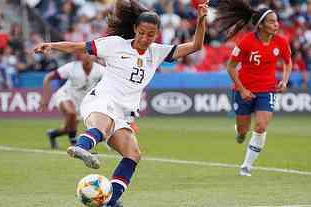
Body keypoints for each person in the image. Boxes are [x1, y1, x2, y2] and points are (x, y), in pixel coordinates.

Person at [34, 0, 208, 206]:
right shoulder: (115, 44)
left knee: (133, 154)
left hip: (121, 113)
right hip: (99, 101)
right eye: (141, 32)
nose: (145, 38)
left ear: (157, 34)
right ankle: (81, 147)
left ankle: (110, 201)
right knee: (104, 124)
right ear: (135, 28)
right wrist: (52, 45)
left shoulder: (159, 52)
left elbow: (196, 46)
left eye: (150, 35)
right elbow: (78, 46)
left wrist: (202, 19)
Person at [215, 0, 292, 176]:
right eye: (272, 21)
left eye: (277, 20)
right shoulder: (246, 42)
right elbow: (231, 67)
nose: (276, 24)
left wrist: (284, 81)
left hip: (267, 89)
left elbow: (288, 63)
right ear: (261, 25)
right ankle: (240, 133)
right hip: (244, 90)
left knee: (261, 126)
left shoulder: (281, 42)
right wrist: (242, 89)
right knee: (243, 130)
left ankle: (246, 166)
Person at [39, 53, 103, 149]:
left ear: (95, 56)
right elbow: (48, 77)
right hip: (65, 95)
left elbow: (112, 84)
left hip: (81, 103)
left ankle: (53, 134)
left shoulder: (100, 70)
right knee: (71, 113)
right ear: (80, 56)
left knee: (68, 128)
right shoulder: (71, 67)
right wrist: (45, 99)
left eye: (90, 53)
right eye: (84, 53)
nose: (87, 56)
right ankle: (74, 143)